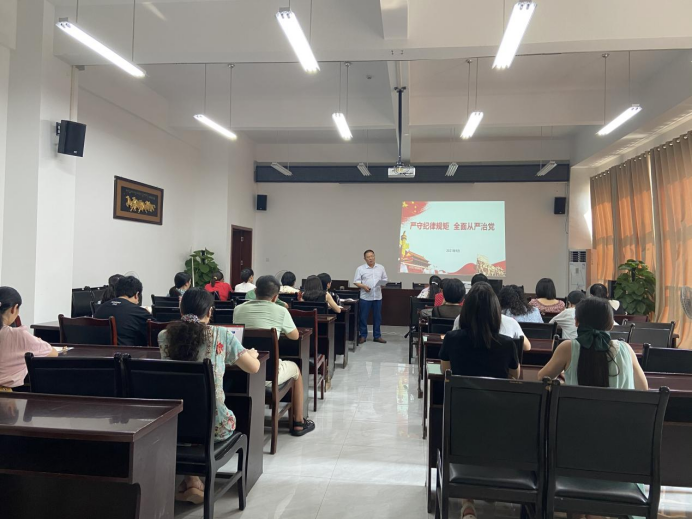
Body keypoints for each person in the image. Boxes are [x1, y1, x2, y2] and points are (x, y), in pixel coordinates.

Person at [158, 288, 261, 504]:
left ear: (180, 309)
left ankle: (192, 481)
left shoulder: (164, 336)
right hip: (214, 426)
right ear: (210, 311)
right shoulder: (221, 335)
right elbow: (253, 368)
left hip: (174, 423)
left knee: (191, 406)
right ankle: (193, 482)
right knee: (227, 403)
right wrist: (250, 354)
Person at [440, 282, 521, 520]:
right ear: (495, 312)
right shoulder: (507, 344)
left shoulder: (452, 339)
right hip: (499, 420)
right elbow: (515, 377)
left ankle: (467, 503)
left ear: (466, 311)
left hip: (460, 418)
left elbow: (445, 372)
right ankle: (490, 487)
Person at [233, 275, 315, 437]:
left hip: (243, 368)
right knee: (295, 369)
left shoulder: (238, 309)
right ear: (275, 297)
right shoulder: (281, 311)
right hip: (269, 373)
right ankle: (299, 422)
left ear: (255, 291)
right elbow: (294, 336)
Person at [539, 297, 648, 390]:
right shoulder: (626, 349)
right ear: (611, 325)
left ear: (576, 322)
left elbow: (542, 379)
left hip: (576, 409)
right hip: (620, 409)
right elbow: (643, 388)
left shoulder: (567, 348)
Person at [0, 287, 58, 391]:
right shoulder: (18, 335)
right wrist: (36, 341)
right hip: (6, 397)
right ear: (14, 308)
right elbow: (53, 353)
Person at [454, 283, 532, 352]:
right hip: (500, 364)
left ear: (467, 303)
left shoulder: (460, 319)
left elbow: (453, 342)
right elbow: (527, 347)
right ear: (495, 302)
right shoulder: (510, 323)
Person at [94, 276, 151, 346]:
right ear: (136, 295)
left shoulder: (100, 309)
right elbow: (156, 333)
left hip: (99, 352)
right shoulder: (139, 312)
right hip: (128, 352)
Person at [354, 250, 388, 344]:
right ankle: (363, 336)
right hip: (365, 297)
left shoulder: (381, 267)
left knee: (377, 317)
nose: (370, 258)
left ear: (374, 256)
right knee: (363, 317)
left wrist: (383, 284)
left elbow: (385, 279)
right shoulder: (360, 269)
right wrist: (363, 286)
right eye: (368, 257)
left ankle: (377, 336)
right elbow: (356, 282)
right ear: (365, 259)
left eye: (372, 256)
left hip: (377, 296)